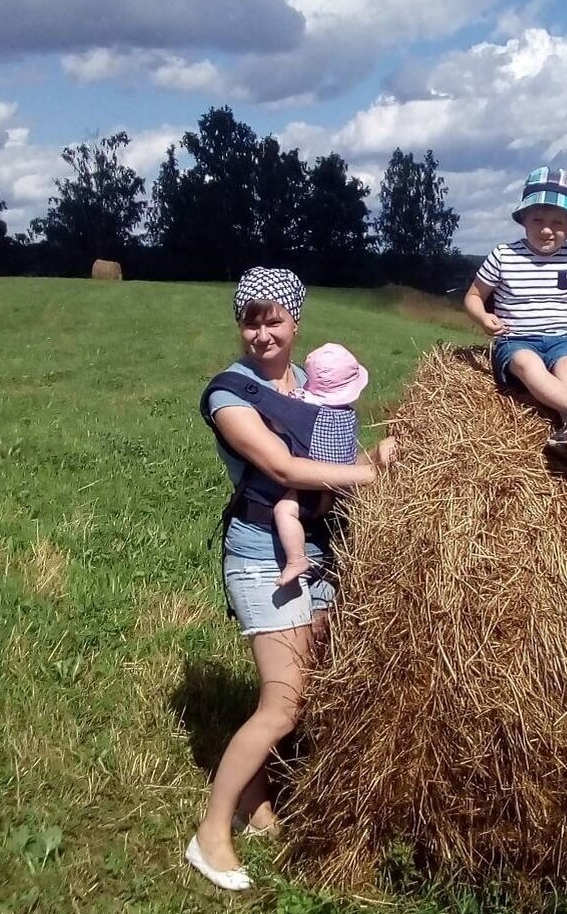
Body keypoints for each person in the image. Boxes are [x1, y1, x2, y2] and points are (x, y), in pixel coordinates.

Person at [186, 268, 396, 892]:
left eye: (273, 319)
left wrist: (375, 457)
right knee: (285, 706)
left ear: (295, 323)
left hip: (319, 553)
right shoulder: (229, 396)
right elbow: (282, 466)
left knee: (294, 694)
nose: (261, 332)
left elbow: (333, 462)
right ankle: (210, 835)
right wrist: (374, 479)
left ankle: (255, 805)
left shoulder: (315, 384)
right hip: (262, 558)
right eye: (250, 320)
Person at [464, 166, 567, 473]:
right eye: (538, 219)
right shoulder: (503, 256)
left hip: (563, 338)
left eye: (558, 222)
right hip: (517, 339)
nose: (547, 229)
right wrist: (483, 316)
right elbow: (472, 296)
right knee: (528, 365)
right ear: (523, 219)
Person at [273, 343, 368, 588]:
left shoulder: (302, 405)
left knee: (284, 510)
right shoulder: (348, 414)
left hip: (314, 481)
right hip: (343, 481)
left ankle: (296, 559)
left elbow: (279, 423)